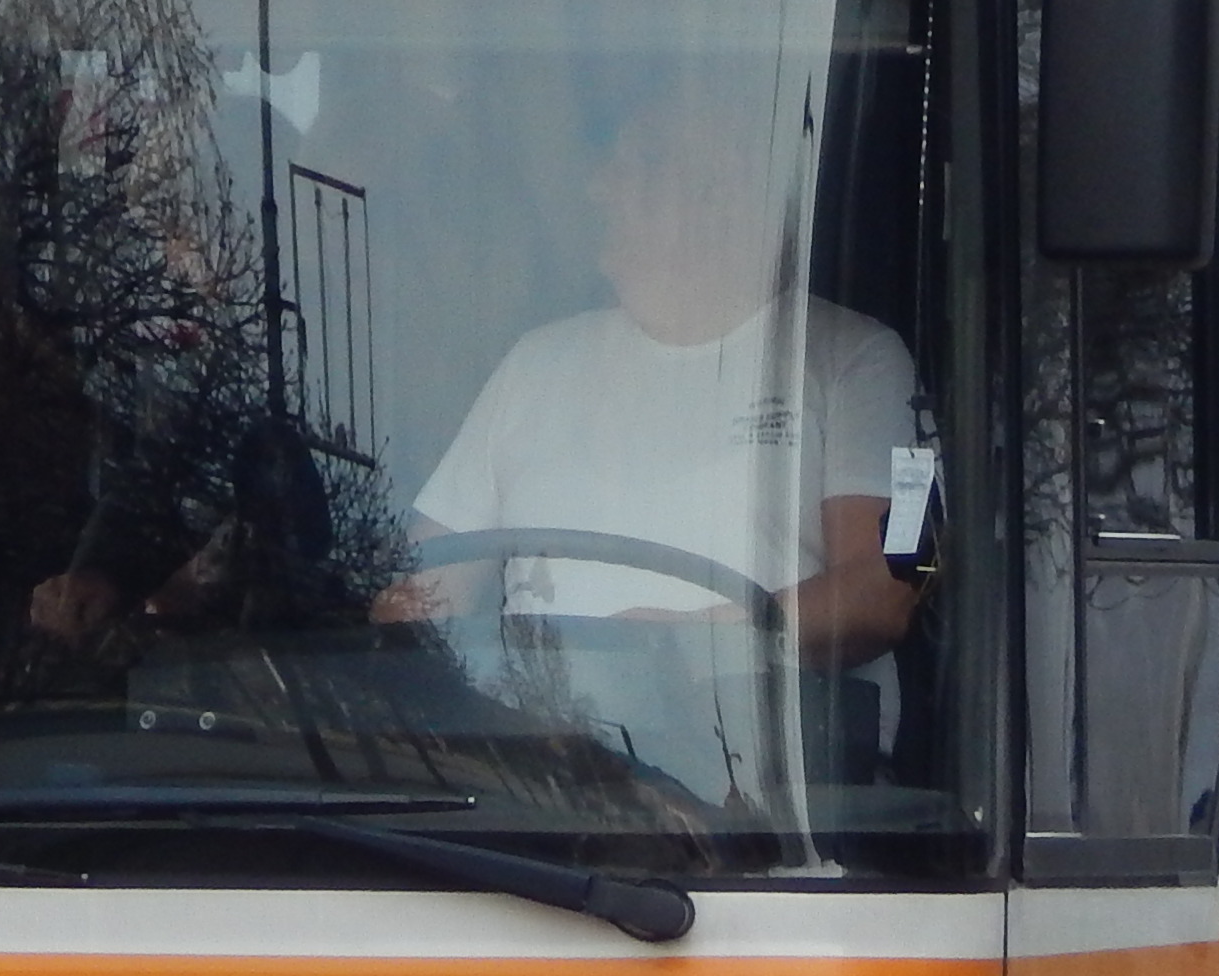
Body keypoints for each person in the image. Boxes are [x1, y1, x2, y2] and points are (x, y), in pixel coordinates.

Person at [383, 83, 922, 797]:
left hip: (764, 791)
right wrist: (393, 630)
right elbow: (427, 588)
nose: (600, 187)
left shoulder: (861, 359)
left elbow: (893, 586)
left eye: (644, 163)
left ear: (727, 190)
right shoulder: (533, 364)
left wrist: (697, 641)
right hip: (527, 787)